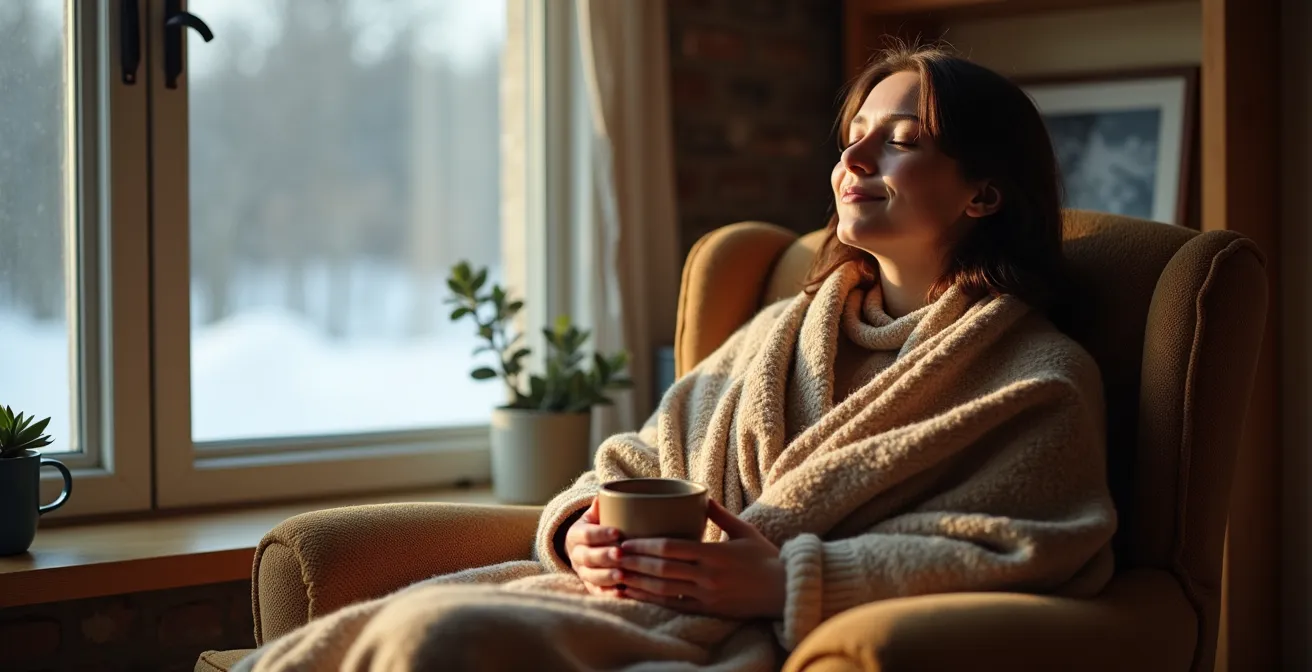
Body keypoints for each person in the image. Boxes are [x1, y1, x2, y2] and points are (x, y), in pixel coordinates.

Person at [235, 44, 1117, 672]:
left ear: (986, 189)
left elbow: (1030, 551)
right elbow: (635, 463)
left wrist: (787, 580)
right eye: (852, 133)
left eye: (903, 138)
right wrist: (579, 530)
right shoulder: (780, 332)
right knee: (382, 635)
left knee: (440, 643)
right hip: (632, 603)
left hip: (768, 636)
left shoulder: (1037, 378)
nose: (852, 156)